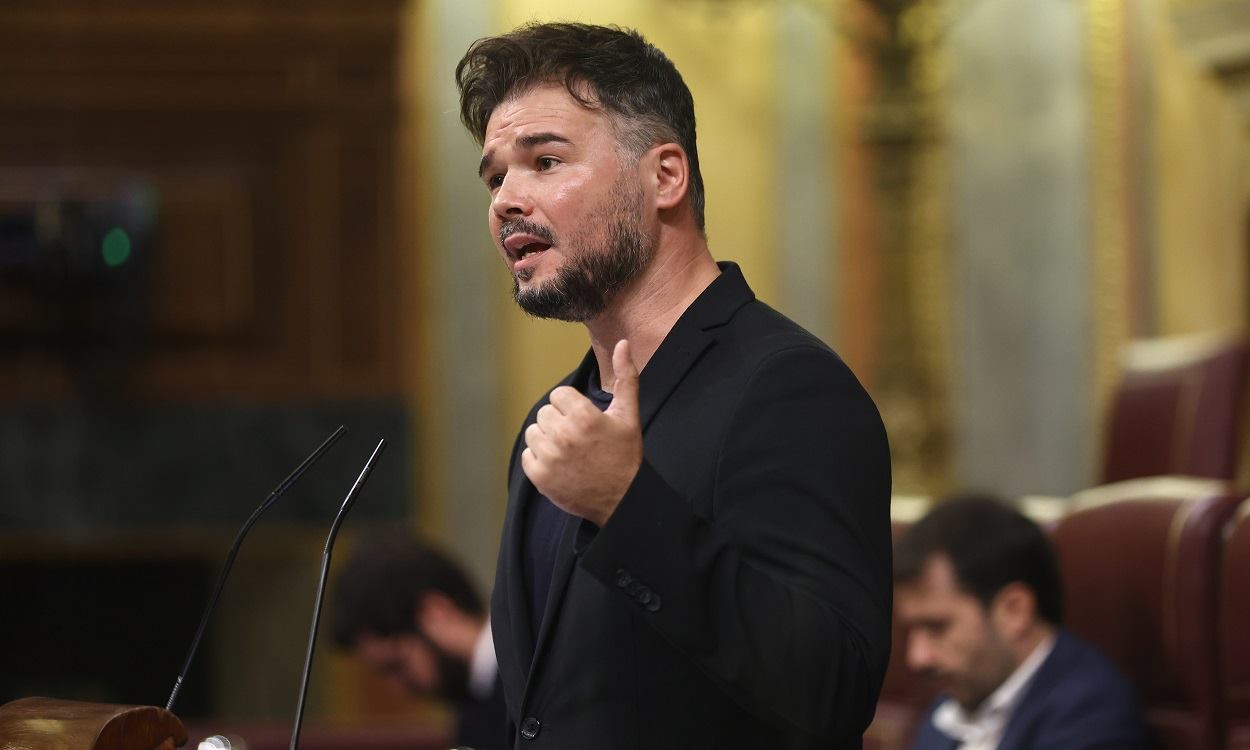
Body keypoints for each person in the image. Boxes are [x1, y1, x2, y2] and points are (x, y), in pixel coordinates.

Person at [454, 22, 893, 749]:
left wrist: (627, 507)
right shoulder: (553, 421)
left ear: (665, 176)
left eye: (546, 160)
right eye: (496, 175)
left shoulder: (788, 387)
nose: (505, 199)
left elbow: (833, 689)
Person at [894, 495, 1148, 750]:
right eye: (912, 630)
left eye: (937, 627)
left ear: (1014, 610)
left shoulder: (1092, 717)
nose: (917, 657)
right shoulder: (953, 703)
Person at [329, 530, 509, 750]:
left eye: (396, 665)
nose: (399, 690)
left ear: (436, 612)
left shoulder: (533, 672)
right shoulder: (473, 712)